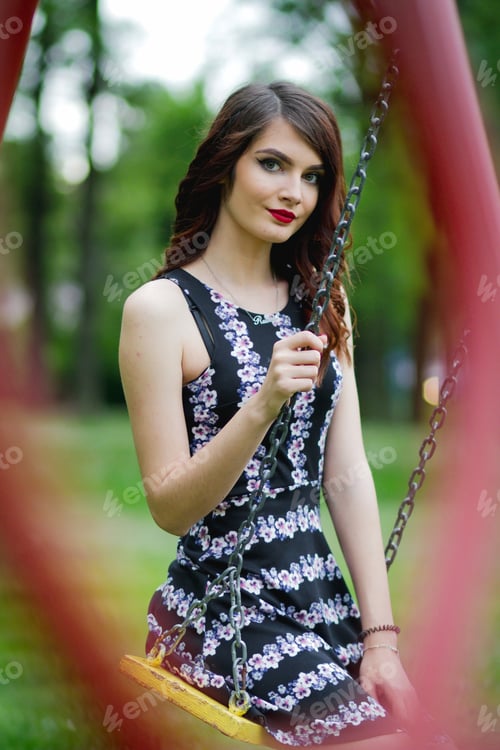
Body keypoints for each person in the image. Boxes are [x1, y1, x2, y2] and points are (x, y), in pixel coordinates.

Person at [119, 82, 454, 748]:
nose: (293, 192)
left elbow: (348, 476)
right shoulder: (161, 312)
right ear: (226, 163)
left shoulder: (323, 304)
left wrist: (380, 639)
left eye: (312, 175)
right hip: (220, 611)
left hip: (318, 599)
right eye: (272, 164)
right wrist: (263, 403)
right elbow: (169, 507)